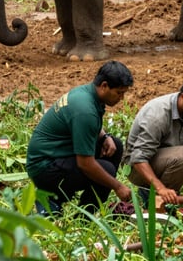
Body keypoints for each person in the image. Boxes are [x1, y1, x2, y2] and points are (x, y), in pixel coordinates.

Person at [26, 60, 134, 213]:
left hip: (58, 153)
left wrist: (104, 137)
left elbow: (88, 126)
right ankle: (72, 210)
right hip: (44, 167)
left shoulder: (87, 93)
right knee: (107, 170)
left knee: (115, 146)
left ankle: (81, 205)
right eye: (119, 93)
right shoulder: (85, 110)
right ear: (104, 86)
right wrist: (118, 186)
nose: (122, 98)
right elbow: (85, 164)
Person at [123, 75, 183, 205]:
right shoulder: (157, 115)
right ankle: (154, 198)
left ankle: (163, 199)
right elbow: (138, 158)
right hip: (136, 167)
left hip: (162, 159)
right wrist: (161, 188)